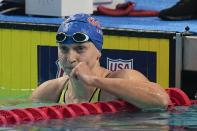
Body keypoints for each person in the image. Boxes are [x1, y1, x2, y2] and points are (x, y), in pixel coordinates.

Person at [30, 13, 171, 109]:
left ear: (98, 52)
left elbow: (162, 101)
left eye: (80, 49)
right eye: (64, 49)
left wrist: (93, 80)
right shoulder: (50, 91)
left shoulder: (124, 78)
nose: (70, 58)